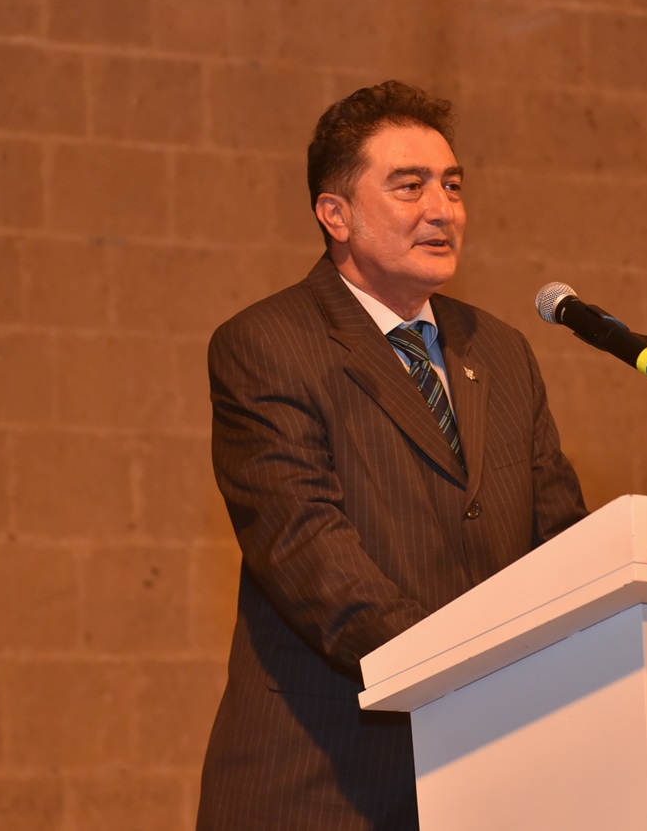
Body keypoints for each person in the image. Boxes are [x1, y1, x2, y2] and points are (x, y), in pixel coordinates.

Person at [196, 81, 589, 830]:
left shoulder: (501, 352)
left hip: (494, 781)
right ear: (335, 214)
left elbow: (563, 544)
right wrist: (472, 673)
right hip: (325, 783)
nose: (442, 209)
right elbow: (309, 552)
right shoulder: (267, 344)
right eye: (409, 186)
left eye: (452, 186)